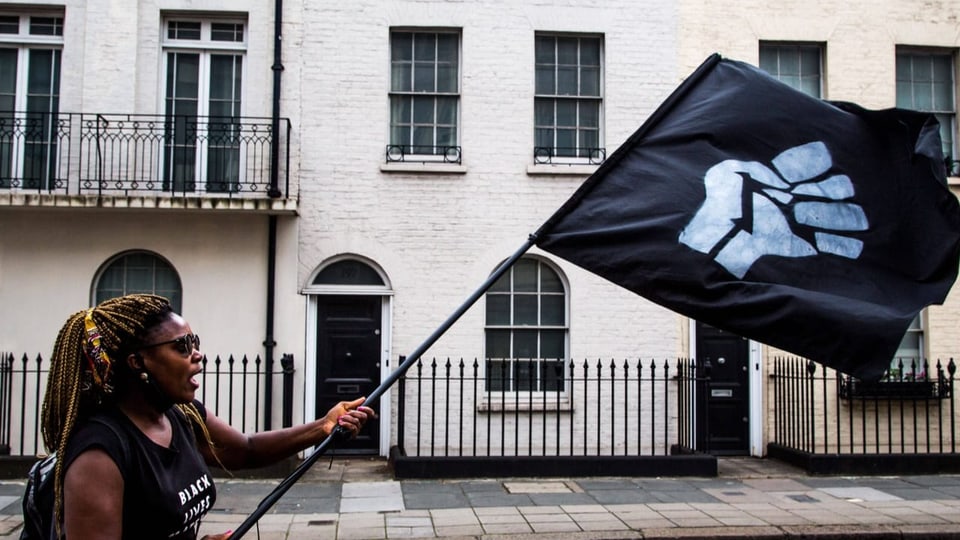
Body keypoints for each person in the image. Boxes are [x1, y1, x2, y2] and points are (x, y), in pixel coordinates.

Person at [39, 294, 376, 540]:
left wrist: (323, 425)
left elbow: (245, 449)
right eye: (182, 346)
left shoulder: (181, 417)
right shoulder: (99, 453)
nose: (197, 355)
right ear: (137, 363)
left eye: (194, 342)